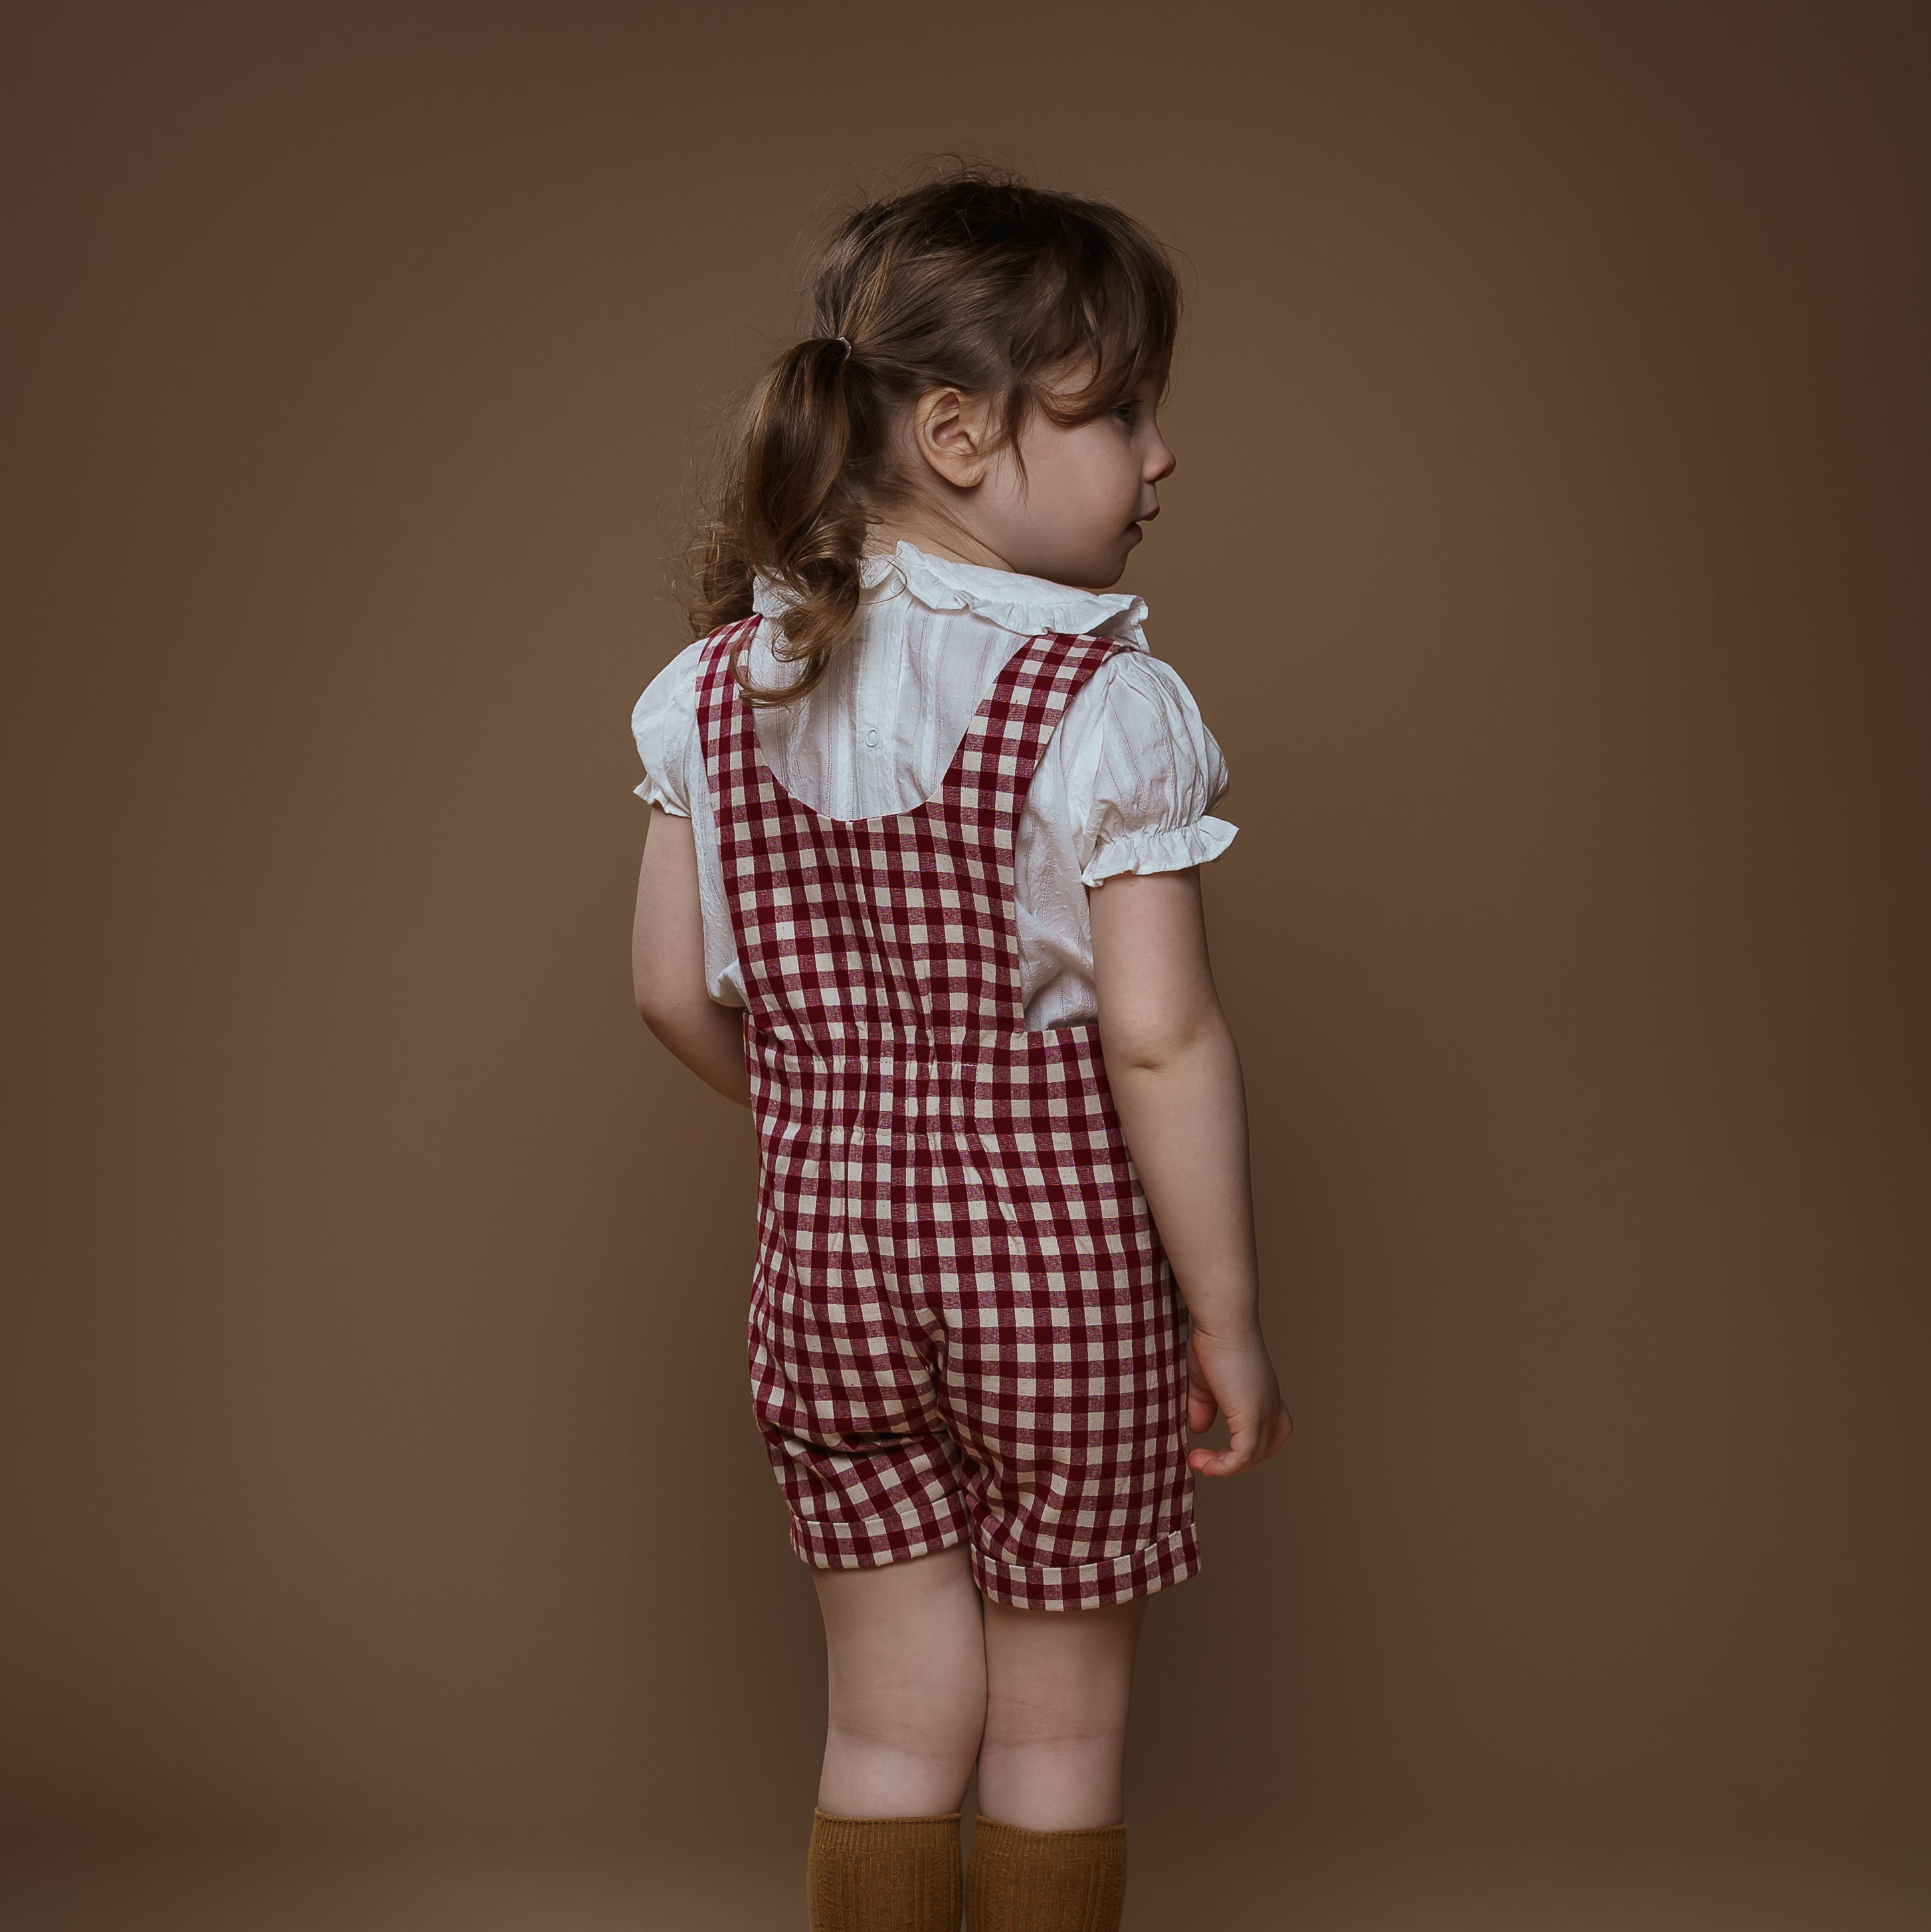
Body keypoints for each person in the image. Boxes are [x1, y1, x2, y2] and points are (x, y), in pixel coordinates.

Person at [628, 167, 1291, 1932]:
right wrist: (1222, 1315)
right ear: (959, 432)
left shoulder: (715, 686)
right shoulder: (1103, 699)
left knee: (885, 1723)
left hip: (822, 1266)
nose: (1162, 456)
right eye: (1122, 408)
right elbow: (1156, 1037)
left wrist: (846, 1118)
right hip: (1055, 1271)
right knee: (1056, 1733)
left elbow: (671, 992)